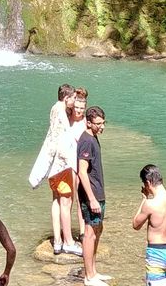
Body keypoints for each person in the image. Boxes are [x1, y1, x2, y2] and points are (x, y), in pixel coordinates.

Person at [29, 83, 82, 256]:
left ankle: (58, 241)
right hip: (62, 164)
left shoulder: (54, 109)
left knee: (56, 201)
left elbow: (51, 138)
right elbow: (63, 141)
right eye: (73, 98)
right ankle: (68, 242)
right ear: (66, 98)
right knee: (66, 202)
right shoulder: (61, 112)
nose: (75, 101)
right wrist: (72, 163)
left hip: (53, 165)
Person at [133, 164, 166, 286]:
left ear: (147, 183)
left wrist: (144, 199)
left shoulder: (150, 204)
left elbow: (136, 225)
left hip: (157, 253)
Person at [77, 106, 108, 286]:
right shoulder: (86, 141)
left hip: (98, 192)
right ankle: (89, 276)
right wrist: (92, 198)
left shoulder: (93, 137)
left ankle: (94, 272)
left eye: (103, 123)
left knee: (97, 230)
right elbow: (82, 172)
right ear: (88, 122)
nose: (102, 127)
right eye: (98, 124)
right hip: (92, 195)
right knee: (89, 233)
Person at [71, 88, 89, 242]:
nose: (78, 110)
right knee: (69, 198)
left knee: (81, 198)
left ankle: (83, 231)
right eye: (76, 107)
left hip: (82, 164)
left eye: (81, 108)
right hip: (70, 163)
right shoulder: (67, 119)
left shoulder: (85, 122)